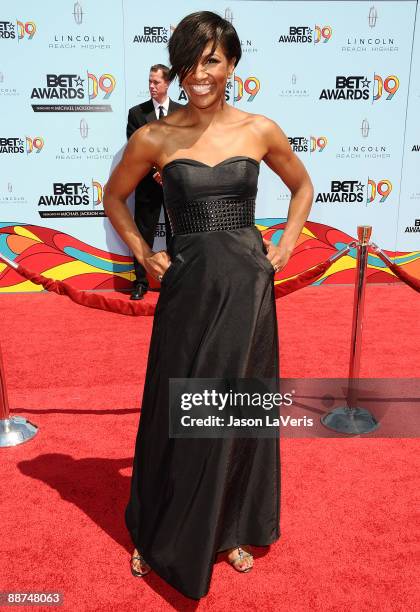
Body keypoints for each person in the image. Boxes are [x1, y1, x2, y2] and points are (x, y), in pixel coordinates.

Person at [103, 10, 313, 600]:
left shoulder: (259, 129)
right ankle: (160, 527)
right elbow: (115, 198)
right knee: (177, 408)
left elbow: (302, 185)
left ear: (233, 64)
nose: (200, 73)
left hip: (248, 289)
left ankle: (231, 526)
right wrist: (145, 254)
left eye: (212, 60)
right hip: (189, 288)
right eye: (190, 62)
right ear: (177, 67)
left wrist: (287, 241)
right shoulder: (154, 137)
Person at [127, 64, 183, 300]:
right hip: (147, 185)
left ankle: (176, 282)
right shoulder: (137, 113)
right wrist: (154, 171)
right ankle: (140, 282)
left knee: (176, 234)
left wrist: (167, 171)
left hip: (175, 186)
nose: (151, 86)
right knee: (143, 233)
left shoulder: (183, 112)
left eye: (156, 82)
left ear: (167, 83)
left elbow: (184, 147)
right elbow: (134, 147)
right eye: (149, 82)